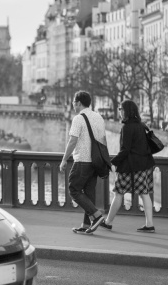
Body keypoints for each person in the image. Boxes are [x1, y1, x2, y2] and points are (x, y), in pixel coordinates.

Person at [100, 99, 156, 233]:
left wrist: (111, 162)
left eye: (121, 109)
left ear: (126, 111)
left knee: (118, 193)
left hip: (130, 167)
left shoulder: (127, 127)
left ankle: (108, 222)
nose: (119, 111)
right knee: (144, 194)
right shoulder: (141, 125)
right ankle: (150, 224)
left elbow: (125, 150)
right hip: (144, 165)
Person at [60, 91, 107, 234]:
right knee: (88, 193)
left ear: (79, 103)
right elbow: (103, 140)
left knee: (73, 189)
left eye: (74, 102)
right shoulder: (98, 117)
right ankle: (87, 225)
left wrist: (64, 159)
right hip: (95, 162)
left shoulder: (78, 119)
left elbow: (73, 140)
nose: (73, 105)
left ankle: (97, 215)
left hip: (82, 161)